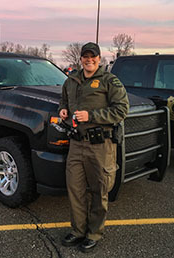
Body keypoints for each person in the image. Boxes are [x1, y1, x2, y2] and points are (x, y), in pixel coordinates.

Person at [59, 42, 129, 253]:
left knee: (99, 190)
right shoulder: (71, 81)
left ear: (99, 59)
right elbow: (64, 102)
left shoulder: (110, 81)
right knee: (75, 189)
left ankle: (94, 233)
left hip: (100, 145)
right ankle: (78, 230)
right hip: (76, 144)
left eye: (93, 57)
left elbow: (122, 110)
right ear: (80, 58)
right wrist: (63, 110)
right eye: (85, 56)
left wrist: (92, 116)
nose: (89, 60)